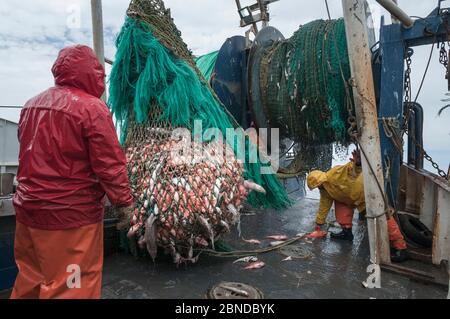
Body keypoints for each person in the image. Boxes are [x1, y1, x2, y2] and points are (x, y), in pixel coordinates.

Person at [11, 45, 134, 299]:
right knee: (72, 284)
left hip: (27, 212)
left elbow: (26, 149)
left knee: (31, 277)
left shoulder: (31, 105)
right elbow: (110, 164)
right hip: (69, 219)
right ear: (93, 73)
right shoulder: (92, 108)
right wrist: (124, 204)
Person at [307, 149, 408, 263]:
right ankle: (347, 233)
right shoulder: (325, 190)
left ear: (321, 180)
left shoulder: (333, 173)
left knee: (383, 218)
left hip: (365, 194)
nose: (319, 187)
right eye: (317, 187)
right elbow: (324, 205)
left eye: (318, 185)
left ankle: (400, 247)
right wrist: (319, 223)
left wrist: (358, 163)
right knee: (341, 207)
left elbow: (350, 169)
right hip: (348, 198)